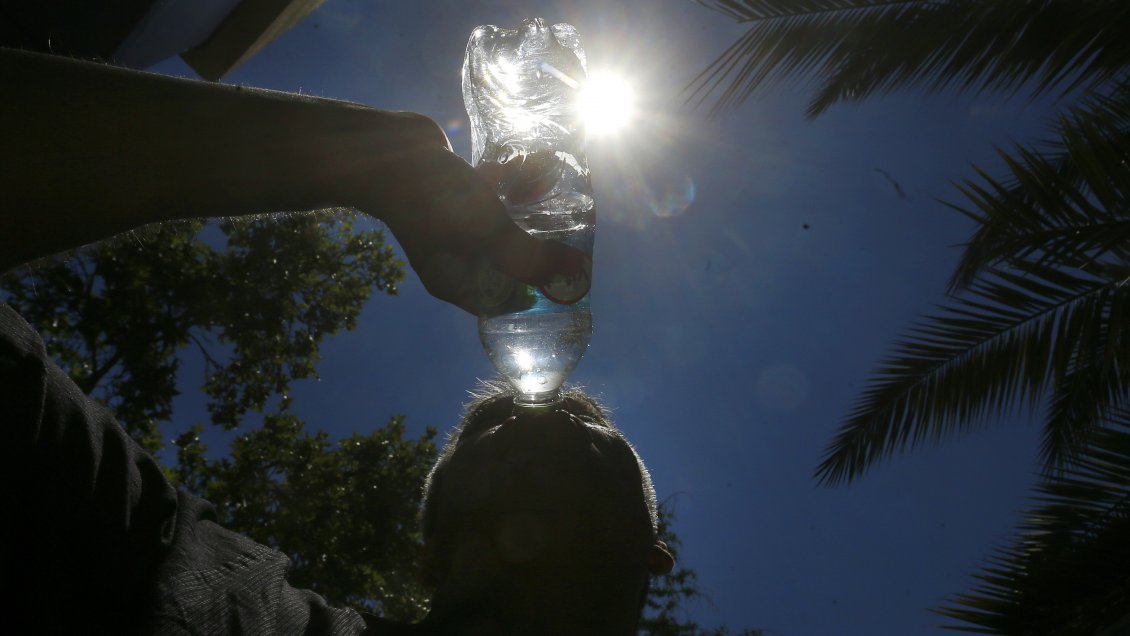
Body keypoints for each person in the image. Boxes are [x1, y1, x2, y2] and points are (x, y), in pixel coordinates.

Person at [0, 48, 672, 634]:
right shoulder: (217, 601)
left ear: (651, 556)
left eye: (589, 430)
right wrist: (379, 159)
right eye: (493, 430)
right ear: (427, 557)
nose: (541, 419)